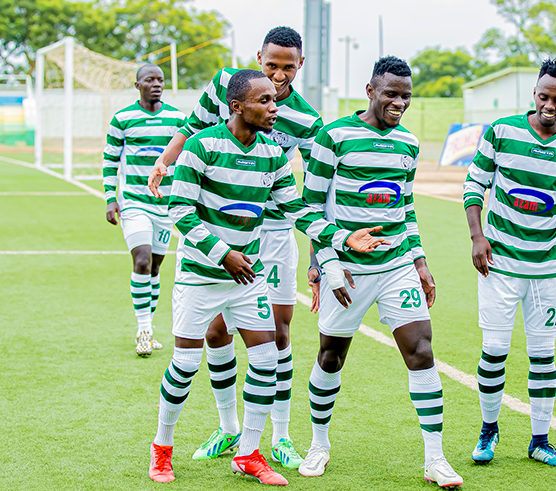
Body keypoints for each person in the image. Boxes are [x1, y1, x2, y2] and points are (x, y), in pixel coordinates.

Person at [147, 69, 387, 485]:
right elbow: (179, 210)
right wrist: (223, 255)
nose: (275, 108)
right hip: (201, 276)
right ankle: (162, 448)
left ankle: (249, 453)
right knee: (185, 363)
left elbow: (300, 211)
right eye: (265, 101)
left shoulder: (274, 156)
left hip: (248, 278)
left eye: (275, 101)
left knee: (266, 359)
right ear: (237, 106)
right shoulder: (202, 146)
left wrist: (344, 236)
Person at [148, 27, 323, 467]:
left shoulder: (299, 126)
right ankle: (218, 432)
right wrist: (165, 161)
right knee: (204, 345)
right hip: (210, 250)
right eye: (270, 68)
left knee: (275, 342)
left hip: (272, 236)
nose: (277, 85)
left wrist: (330, 248)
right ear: (257, 60)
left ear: (300, 65)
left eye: (287, 68)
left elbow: (307, 197)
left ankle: (269, 441)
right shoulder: (224, 96)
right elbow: (189, 137)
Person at [298, 56, 463, 488]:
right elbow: (308, 207)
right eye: (391, 93)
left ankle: (435, 459)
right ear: (370, 91)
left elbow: (405, 209)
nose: (399, 102)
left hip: (395, 267)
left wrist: (420, 263)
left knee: (422, 351)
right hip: (347, 270)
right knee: (331, 356)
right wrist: (326, 259)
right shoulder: (333, 136)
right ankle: (319, 444)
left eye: (406, 95)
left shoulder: (409, 143)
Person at [462, 58, 556, 467]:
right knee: (495, 349)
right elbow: (474, 185)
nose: (549, 105)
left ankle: (540, 440)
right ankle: (488, 431)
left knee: (543, 355)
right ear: (533, 94)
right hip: (499, 263)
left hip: (547, 270)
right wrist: (477, 237)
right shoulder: (501, 132)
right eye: (543, 96)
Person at [102, 64, 186, 357]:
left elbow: (187, 159)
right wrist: (109, 197)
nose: (156, 84)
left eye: (160, 79)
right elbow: (110, 160)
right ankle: (144, 330)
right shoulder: (122, 119)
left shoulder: (178, 119)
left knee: (154, 268)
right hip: (134, 202)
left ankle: (148, 327)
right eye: (149, 79)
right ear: (137, 85)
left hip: (166, 204)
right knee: (141, 260)